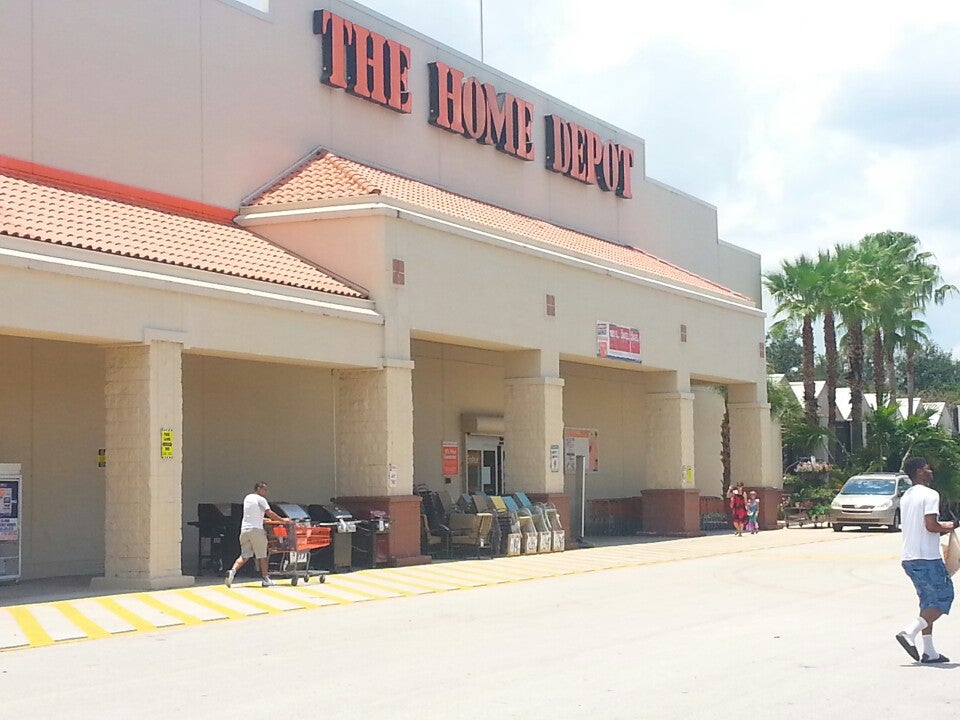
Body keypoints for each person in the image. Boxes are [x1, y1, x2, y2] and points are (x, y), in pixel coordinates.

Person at [895, 457, 956, 664]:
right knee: (944, 598)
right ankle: (909, 632)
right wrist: (950, 526)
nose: (931, 471)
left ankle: (929, 652)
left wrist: (943, 527)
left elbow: (922, 526)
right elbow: (931, 526)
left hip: (910, 557)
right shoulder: (930, 494)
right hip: (927, 558)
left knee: (928, 602)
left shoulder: (907, 496)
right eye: (927, 468)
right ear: (919, 472)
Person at [225, 482, 292, 588]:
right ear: (259, 489)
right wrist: (282, 520)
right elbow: (269, 512)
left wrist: (264, 519)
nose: (266, 492)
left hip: (245, 530)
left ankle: (232, 572)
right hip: (256, 531)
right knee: (262, 556)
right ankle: (266, 579)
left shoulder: (247, 498)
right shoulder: (261, 499)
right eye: (265, 489)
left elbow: (253, 515)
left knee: (244, 556)